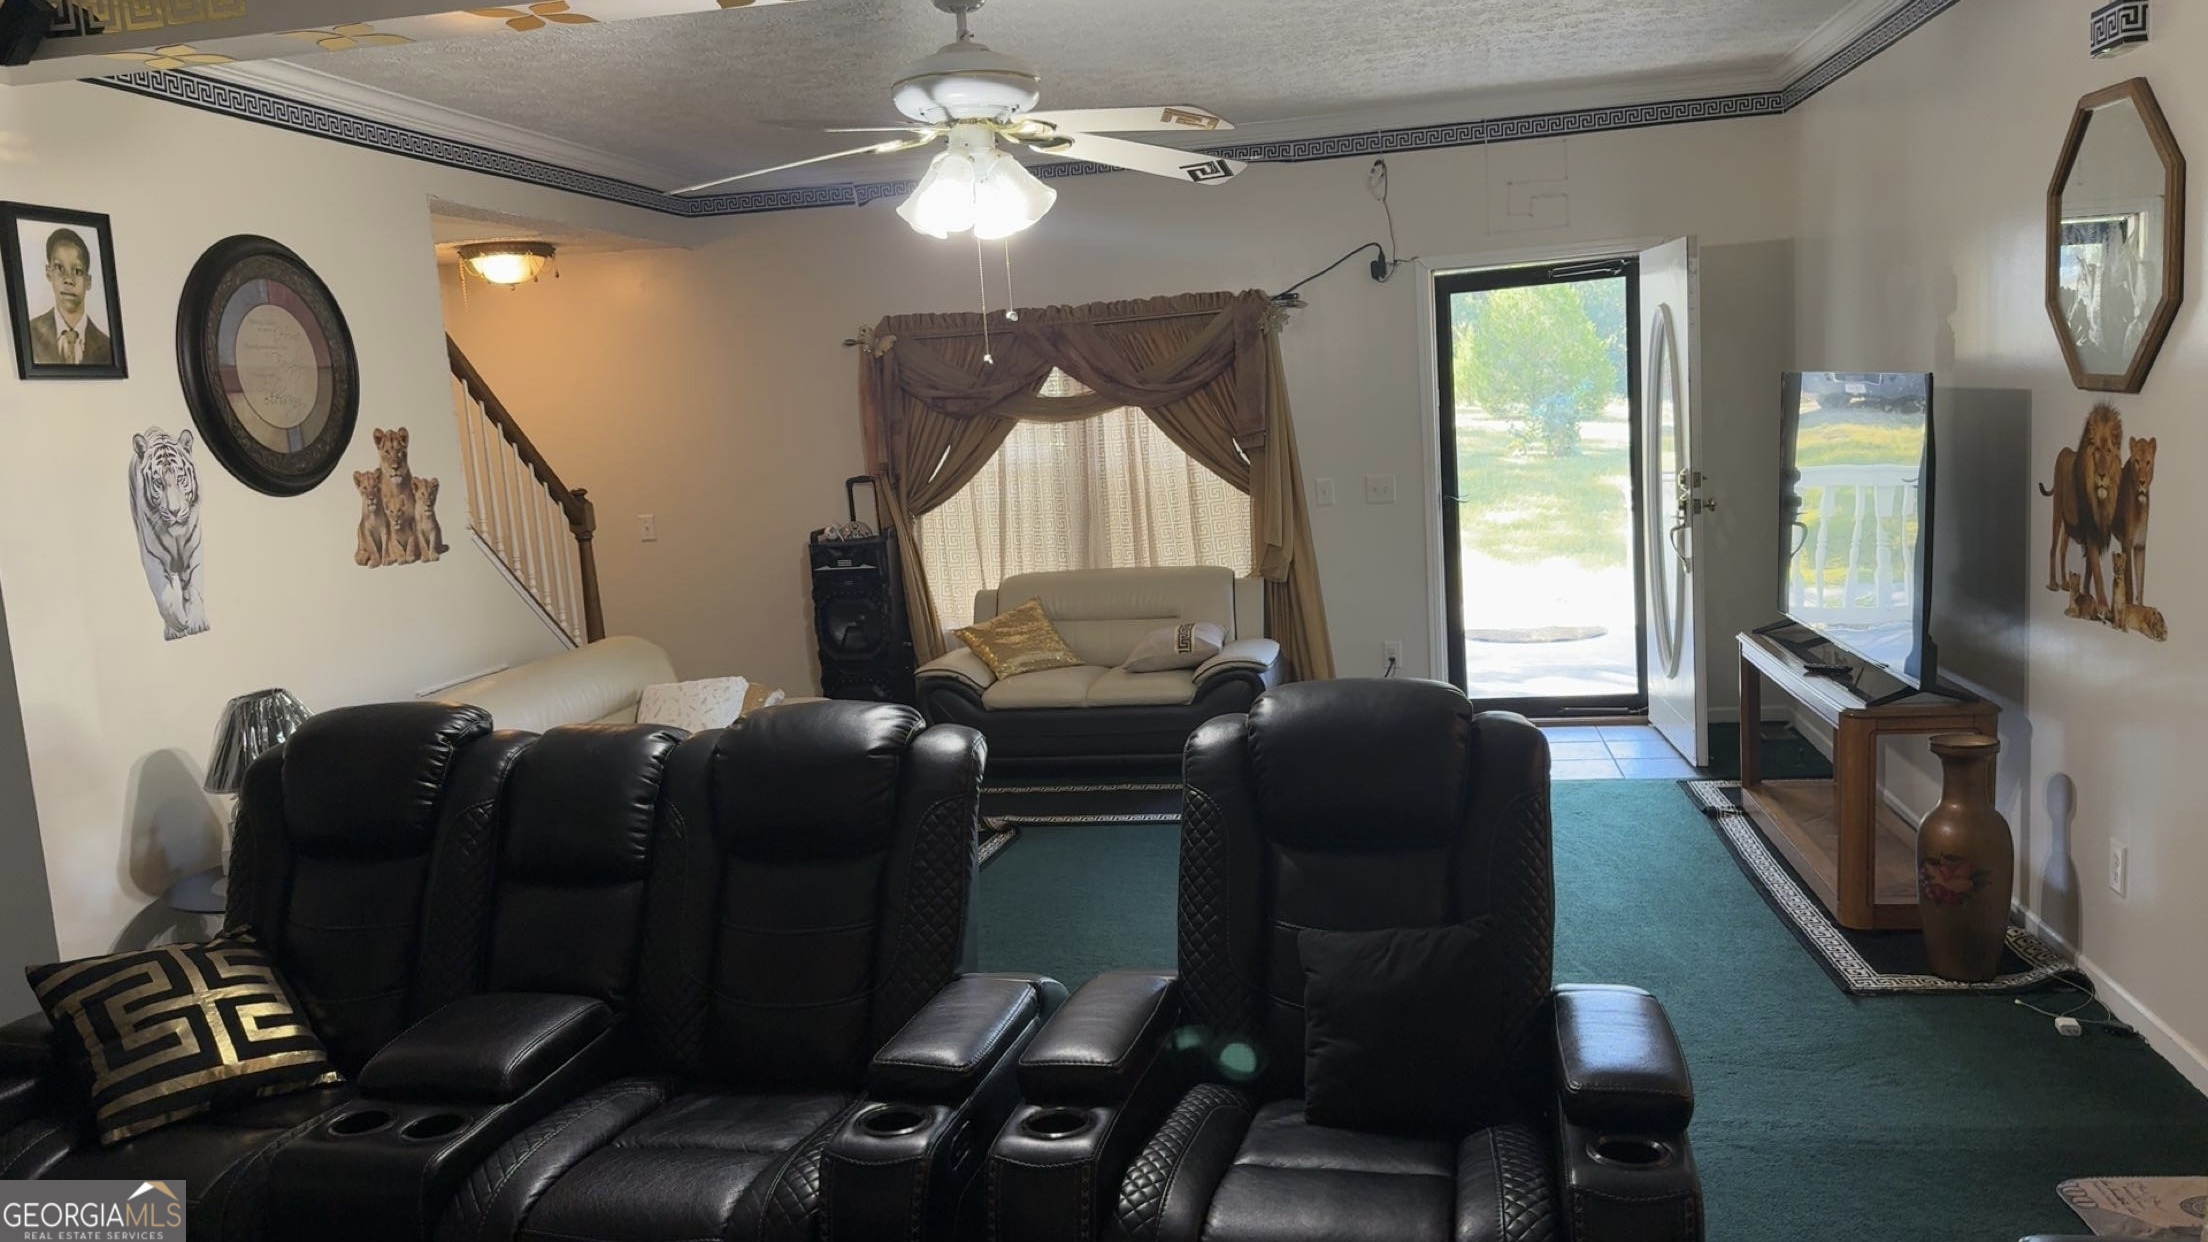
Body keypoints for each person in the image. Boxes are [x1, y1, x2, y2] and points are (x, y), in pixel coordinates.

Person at [27, 227, 112, 366]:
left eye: (77, 271)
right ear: (49, 273)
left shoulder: (108, 347)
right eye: (59, 268)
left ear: (88, 281)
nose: (68, 279)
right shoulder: (30, 334)